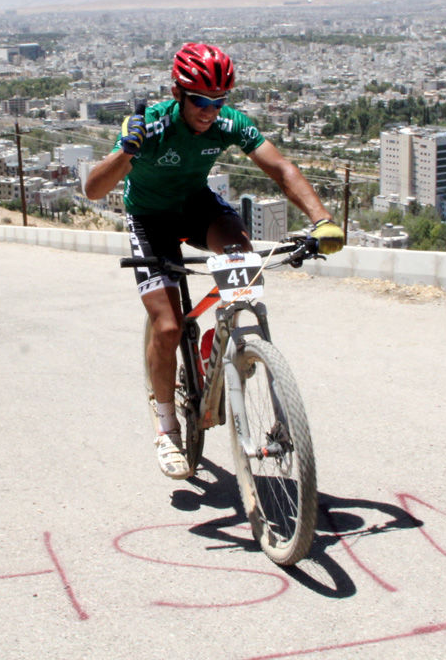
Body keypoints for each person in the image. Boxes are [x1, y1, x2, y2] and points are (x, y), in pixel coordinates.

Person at [84, 42, 345, 479]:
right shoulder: (150, 126)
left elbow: (280, 169)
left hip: (196, 207)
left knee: (244, 263)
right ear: (177, 92)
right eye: (200, 101)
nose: (209, 111)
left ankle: (232, 354)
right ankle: (167, 427)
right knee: (167, 327)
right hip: (150, 219)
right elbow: (93, 189)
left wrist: (322, 220)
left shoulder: (227, 123)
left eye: (218, 101)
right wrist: (127, 151)